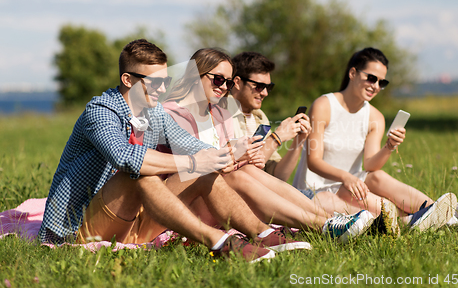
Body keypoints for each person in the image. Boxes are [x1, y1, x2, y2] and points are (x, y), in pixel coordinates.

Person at [37, 39, 312, 263]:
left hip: (133, 224)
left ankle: (262, 234)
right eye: (154, 82)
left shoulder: (154, 112)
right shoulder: (100, 112)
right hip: (79, 229)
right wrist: (193, 160)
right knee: (139, 173)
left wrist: (224, 156)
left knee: (201, 171)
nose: (161, 89)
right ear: (128, 79)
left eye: (165, 81)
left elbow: (194, 146)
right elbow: (125, 157)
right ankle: (220, 242)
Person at [161, 48, 376, 243]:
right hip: (178, 200)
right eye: (218, 80)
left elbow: (267, 172)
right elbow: (198, 165)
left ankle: (329, 223)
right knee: (241, 174)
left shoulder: (220, 113)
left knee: (244, 172)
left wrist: (293, 143)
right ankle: (326, 225)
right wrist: (268, 142)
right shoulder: (173, 113)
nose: (223, 87)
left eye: (226, 82)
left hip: (219, 193)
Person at [293, 47, 458, 231]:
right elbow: (313, 161)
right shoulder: (324, 105)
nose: (376, 86)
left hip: (352, 187)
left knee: (378, 176)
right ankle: (427, 218)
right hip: (316, 191)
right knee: (369, 198)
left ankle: (437, 213)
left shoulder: (375, 117)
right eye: (372, 78)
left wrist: (389, 146)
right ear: (353, 73)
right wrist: (346, 177)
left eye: (382, 82)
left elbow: (370, 166)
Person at [229, 52, 308, 182]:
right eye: (259, 86)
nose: (265, 93)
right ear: (237, 82)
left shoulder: (259, 117)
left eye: (269, 87)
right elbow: (241, 173)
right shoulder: (222, 114)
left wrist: (299, 141)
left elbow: (279, 176)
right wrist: (276, 138)